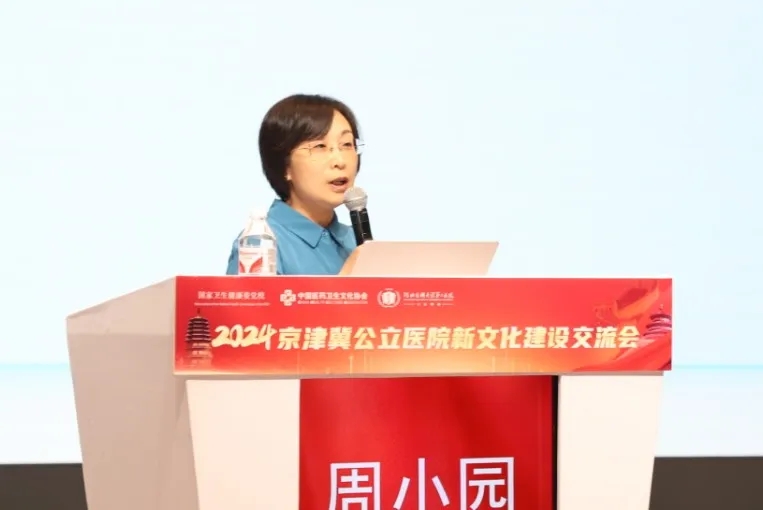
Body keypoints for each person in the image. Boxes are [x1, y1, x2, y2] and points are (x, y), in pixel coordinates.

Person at [226, 94, 365, 276]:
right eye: (319, 147)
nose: (340, 161)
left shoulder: (355, 241)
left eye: (346, 144)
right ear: (284, 165)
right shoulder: (260, 245)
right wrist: (346, 285)